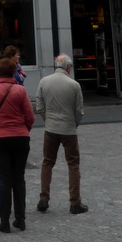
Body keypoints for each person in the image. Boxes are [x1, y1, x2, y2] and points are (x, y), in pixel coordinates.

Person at [0, 56, 35, 233]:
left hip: (0, 137)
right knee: (19, 179)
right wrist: (24, 129)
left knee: (5, 179)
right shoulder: (20, 91)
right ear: (13, 71)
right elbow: (30, 116)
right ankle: (20, 219)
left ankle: (4, 220)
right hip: (20, 136)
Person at [35, 54, 88, 215]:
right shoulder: (74, 85)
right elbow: (79, 111)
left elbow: (39, 106)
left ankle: (43, 198)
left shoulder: (44, 82)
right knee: (73, 164)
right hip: (69, 130)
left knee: (47, 162)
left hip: (50, 128)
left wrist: (48, 120)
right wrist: (74, 124)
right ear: (68, 67)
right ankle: (75, 201)